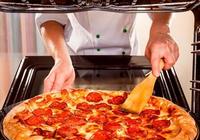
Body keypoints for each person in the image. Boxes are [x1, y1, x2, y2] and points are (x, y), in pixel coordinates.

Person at [35, 11, 179, 92]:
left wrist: (160, 30)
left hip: (129, 63)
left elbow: (161, 4)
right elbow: (50, 17)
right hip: (74, 65)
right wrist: (61, 59)